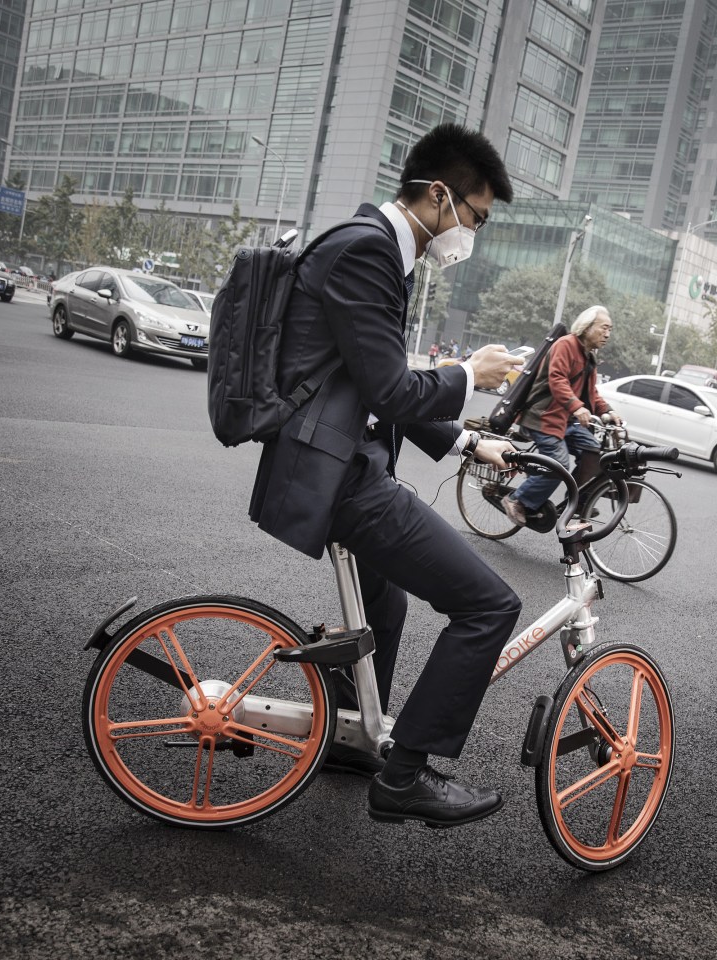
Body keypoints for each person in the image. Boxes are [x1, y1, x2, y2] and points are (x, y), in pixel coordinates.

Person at [249, 123, 525, 828]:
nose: (472, 235)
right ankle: (406, 775)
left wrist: (467, 442)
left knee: (388, 607)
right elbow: (392, 393)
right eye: (475, 218)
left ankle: (346, 735)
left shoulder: (379, 250)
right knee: (489, 605)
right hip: (339, 477)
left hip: (339, 461)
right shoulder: (368, 251)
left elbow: (373, 380)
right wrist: (469, 375)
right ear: (439, 196)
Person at [503, 306, 617, 524]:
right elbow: (557, 379)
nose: (607, 334)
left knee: (595, 455)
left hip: (568, 421)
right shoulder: (565, 345)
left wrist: (608, 411)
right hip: (544, 417)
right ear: (587, 326)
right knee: (559, 464)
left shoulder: (589, 356)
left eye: (610, 329)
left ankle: (578, 501)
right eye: (604, 328)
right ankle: (517, 499)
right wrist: (576, 406)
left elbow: (591, 393)